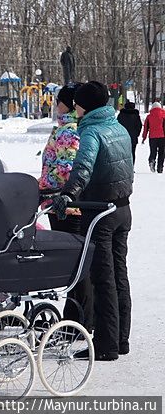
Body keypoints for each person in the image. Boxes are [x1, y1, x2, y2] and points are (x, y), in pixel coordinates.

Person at [53, 81, 134, 361]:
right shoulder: (118, 127)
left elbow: (82, 169)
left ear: (85, 105)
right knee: (120, 275)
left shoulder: (91, 132)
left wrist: (68, 195)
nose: (75, 107)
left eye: (77, 102)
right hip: (123, 209)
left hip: (100, 212)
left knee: (103, 279)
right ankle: (121, 339)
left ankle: (106, 345)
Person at [37, 83, 92, 330]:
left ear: (68, 104)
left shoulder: (69, 131)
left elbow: (64, 171)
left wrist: (40, 186)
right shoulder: (67, 128)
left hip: (65, 205)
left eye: (58, 100)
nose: (55, 104)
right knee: (76, 263)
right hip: (62, 203)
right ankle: (75, 318)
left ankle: (77, 321)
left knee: (75, 264)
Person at [141, 101, 165, 173]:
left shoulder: (149, 116)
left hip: (152, 137)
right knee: (162, 152)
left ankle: (152, 160)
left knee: (153, 151)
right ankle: (160, 167)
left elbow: (146, 128)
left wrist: (144, 137)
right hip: (162, 137)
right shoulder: (163, 116)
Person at [116, 101, 142, 166]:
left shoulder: (121, 115)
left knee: (123, 153)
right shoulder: (136, 116)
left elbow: (117, 126)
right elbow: (139, 126)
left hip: (122, 137)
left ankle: (123, 167)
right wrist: (136, 134)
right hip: (133, 137)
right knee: (132, 152)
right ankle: (131, 167)